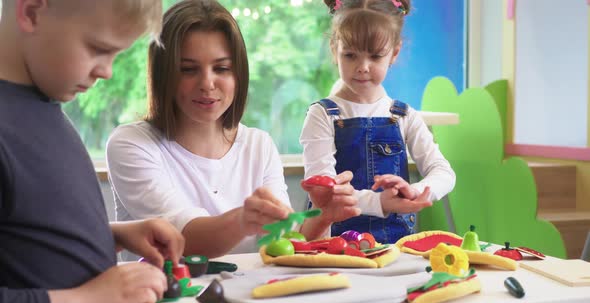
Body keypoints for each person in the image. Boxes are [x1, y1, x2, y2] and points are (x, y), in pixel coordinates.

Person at [106, 0, 360, 259]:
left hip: (248, 297)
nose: (207, 83)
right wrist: (242, 220)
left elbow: (281, 244)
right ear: (164, 74)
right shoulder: (131, 143)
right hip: (165, 297)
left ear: (239, 75)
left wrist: (322, 216)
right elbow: (182, 240)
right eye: (188, 69)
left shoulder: (258, 145)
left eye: (222, 68)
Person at [0, 1, 187, 303]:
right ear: (31, 12)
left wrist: (111, 234)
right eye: (98, 48)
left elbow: (21, 226)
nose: (107, 71)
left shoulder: (43, 104)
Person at [299, 0, 456, 244]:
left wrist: (413, 192)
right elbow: (324, 193)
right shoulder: (323, 115)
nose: (362, 67)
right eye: (350, 55)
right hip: (337, 248)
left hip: (397, 248)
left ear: (394, 53)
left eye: (375, 56)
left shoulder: (404, 116)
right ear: (334, 49)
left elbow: (444, 173)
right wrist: (380, 202)